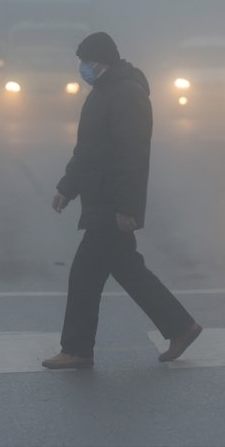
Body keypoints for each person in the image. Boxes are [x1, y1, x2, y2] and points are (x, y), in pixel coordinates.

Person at [42, 32, 202, 370]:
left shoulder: (126, 94)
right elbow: (87, 151)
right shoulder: (104, 92)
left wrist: (127, 208)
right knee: (126, 270)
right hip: (100, 199)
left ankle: (77, 349)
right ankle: (180, 327)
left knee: (87, 276)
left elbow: (133, 155)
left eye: (85, 62)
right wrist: (67, 188)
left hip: (110, 203)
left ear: (100, 61)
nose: (82, 69)